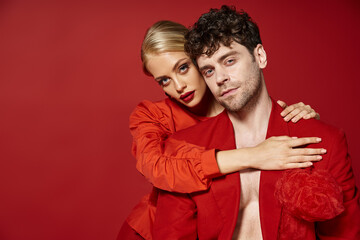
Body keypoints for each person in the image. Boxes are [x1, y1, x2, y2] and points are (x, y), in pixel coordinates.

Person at [152, 6, 360, 240]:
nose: (220, 78)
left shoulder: (323, 141)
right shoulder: (185, 149)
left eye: (229, 60)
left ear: (259, 56)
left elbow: (344, 235)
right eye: (209, 71)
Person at [119, 20, 324, 240]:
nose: (178, 86)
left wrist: (299, 122)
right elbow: (157, 167)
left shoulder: (244, 107)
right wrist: (252, 155)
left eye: (183, 68)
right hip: (152, 232)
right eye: (164, 80)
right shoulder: (151, 115)